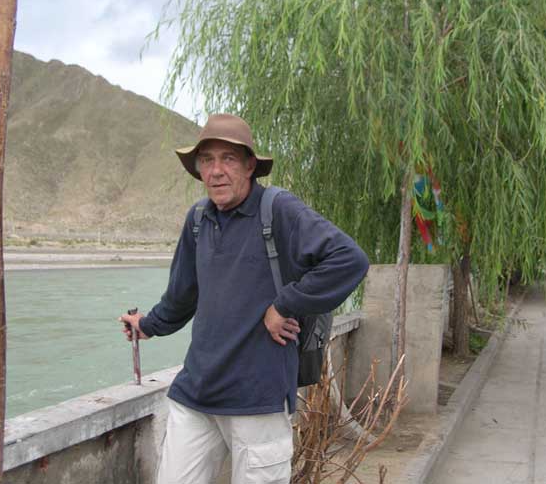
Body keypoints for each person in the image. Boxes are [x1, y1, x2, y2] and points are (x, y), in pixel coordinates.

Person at [119, 113, 369, 484]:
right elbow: (182, 295)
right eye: (207, 160)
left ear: (250, 166)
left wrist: (283, 305)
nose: (216, 171)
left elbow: (349, 260)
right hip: (197, 393)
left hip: (258, 399)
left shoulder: (278, 210)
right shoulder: (198, 220)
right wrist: (148, 326)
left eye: (229, 159)